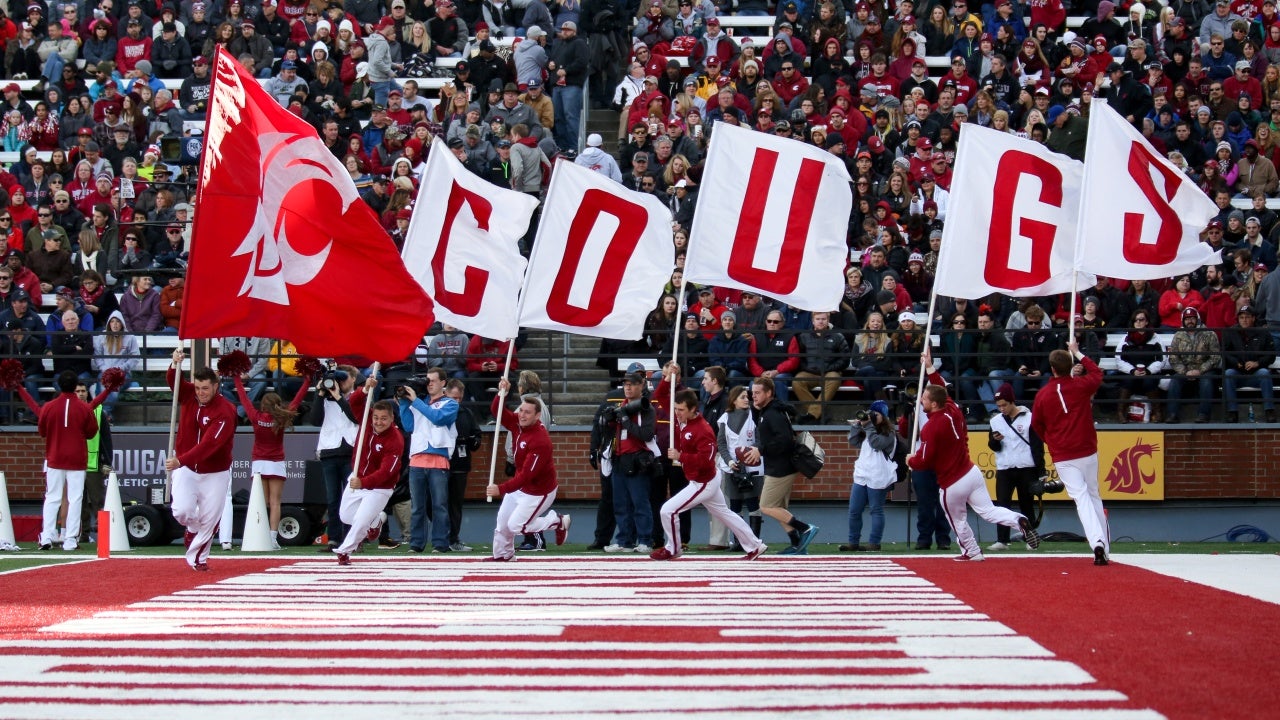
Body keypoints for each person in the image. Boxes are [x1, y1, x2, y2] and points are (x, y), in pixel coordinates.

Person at [907, 347, 1041, 562]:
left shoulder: (931, 426)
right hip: (971, 472)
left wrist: (911, 460)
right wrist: (931, 368)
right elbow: (941, 388)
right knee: (989, 511)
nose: (920, 400)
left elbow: (925, 459)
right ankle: (1019, 520)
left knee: (957, 519)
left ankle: (972, 551)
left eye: (924, 398)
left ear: (933, 403)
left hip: (952, 481)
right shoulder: (953, 409)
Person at [653, 389, 767, 560]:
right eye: (675, 409)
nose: (676, 413)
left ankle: (673, 548)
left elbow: (706, 460)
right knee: (725, 514)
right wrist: (668, 379)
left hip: (703, 481)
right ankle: (755, 545)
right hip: (704, 479)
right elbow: (662, 396)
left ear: (693, 409)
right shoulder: (682, 419)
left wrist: (680, 456)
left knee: (667, 510)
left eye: (681, 409)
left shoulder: (703, 430)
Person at [1030, 339, 1111, 566]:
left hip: (1063, 455)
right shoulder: (1081, 385)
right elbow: (1097, 373)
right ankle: (1102, 545)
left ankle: (1097, 543)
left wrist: (1052, 442)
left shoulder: (1043, 395)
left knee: (1082, 498)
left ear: (1052, 368)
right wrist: (1079, 352)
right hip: (1086, 449)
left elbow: (1037, 426)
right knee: (1093, 495)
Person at [164, 347, 239, 572]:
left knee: (210, 518)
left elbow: (209, 445)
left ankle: (198, 558)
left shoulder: (226, 411)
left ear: (216, 386)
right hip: (187, 469)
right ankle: (192, 529)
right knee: (181, 511)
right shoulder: (189, 395)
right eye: (197, 387)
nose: (200, 392)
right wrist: (174, 364)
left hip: (214, 471)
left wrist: (180, 460)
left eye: (205, 388)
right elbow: (173, 382)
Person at [485, 377, 571, 561]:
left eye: (527, 413)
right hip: (521, 486)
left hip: (538, 491)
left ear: (537, 416)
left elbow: (526, 476)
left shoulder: (541, 441)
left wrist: (500, 489)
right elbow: (497, 412)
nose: (522, 415)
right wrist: (502, 393)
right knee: (502, 522)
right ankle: (503, 555)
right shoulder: (518, 421)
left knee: (517, 526)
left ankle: (557, 521)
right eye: (521, 411)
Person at [234, 368, 312, 550]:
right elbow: (297, 400)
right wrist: (307, 381)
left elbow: (244, 400)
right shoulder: (282, 418)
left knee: (261, 502)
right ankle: (273, 539)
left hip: (259, 463)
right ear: (278, 404)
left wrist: (237, 379)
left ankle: (258, 537)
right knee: (276, 502)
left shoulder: (255, 417)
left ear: (262, 405)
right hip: (276, 463)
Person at [22, 371, 100, 551]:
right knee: (75, 499)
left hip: (55, 458)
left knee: (52, 498)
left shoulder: (49, 406)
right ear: (75, 387)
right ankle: (70, 539)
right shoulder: (83, 408)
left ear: (58, 386)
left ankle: (47, 536)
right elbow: (91, 432)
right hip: (77, 460)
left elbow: (42, 431)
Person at [744, 376, 820, 555]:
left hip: (780, 467)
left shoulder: (772, 413)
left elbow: (784, 440)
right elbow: (768, 433)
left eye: (757, 393)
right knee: (779, 508)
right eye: (752, 393)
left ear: (769, 393)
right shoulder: (768, 410)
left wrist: (760, 449)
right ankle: (797, 544)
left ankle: (805, 528)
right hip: (779, 465)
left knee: (766, 506)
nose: (753, 396)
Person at [332, 389, 403, 566]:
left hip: (380, 487)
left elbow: (387, 472)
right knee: (346, 516)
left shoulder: (396, 440)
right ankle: (376, 520)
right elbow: (354, 402)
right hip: (358, 477)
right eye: (376, 418)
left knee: (360, 521)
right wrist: (364, 389)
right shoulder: (366, 421)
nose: (379, 422)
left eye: (384, 418)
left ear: (392, 418)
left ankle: (345, 551)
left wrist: (364, 482)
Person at [398, 366, 459, 554]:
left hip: (438, 461)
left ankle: (440, 544)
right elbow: (408, 425)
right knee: (417, 507)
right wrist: (402, 401)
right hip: (417, 460)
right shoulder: (419, 402)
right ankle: (416, 544)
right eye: (427, 380)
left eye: (433, 380)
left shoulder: (450, 403)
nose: (429, 384)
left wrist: (415, 401)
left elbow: (438, 418)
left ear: (443, 383)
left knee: (439, 505)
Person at [602, 369, 658, 553]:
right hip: (619, 458)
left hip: (638, 459)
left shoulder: (646, 407)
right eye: (626, 384)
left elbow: (647, 434)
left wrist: (625, 421)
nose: (628, 387)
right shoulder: (621, 405)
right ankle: (624, 539)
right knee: (620, 503)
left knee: (640, 502)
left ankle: (645, 540)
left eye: (632, 384)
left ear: (641, 385)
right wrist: (609, 421)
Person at [987, 382, 1046, 551]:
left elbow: (1037, 446)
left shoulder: (1029, 417)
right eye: (999, 406)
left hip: (1026, 466)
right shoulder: (995, 421)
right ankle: (1002, 540)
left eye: (1004, 405)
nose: (1001, 409)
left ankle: (1030, 538)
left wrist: (1041, 471)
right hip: (1005, 467)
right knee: (1002, 504)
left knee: (1026, 503)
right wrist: (994, 440)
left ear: (1013, 401)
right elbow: (992, 446)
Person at [309, 366, 359, 552]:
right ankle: (334, 539)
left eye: (344, 379)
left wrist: (338, 397)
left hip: (350, 450)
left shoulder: (357, 396)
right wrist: (320, 394)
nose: (341, 383)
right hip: (329, 451)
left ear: (353, 379)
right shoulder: (325, 397)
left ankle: (352, 539)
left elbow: (356, 417)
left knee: (350, 497)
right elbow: (315, 420)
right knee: (332, 499)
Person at [840, 400, 901, 552]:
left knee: (876, 509)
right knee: (854, 510)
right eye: (871, 413)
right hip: (862, 474)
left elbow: (876, 443)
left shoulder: (889, 434)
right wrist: (857, 425)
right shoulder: (867, 429)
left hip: (878, 476)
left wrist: (868, 426)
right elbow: (854, 441)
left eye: (876, 414)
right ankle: (853, 542)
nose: (872, 416)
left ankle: (874, 542)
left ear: (884, 417)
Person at [1221, 304, 1277, 422]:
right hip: (1238, 372)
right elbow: (1225, 353)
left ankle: (1269, 411)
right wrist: (1236, 363)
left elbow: (1270, 354)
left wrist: (1257, 363)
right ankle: (1232, 412)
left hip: (1256, 373)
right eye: (1241, 317)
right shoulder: (1231, 332)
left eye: (1247, 317)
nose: (1244, 320)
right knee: (1228, 373)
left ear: (1253, 318)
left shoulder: (1263, 333)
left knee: (1264, 373)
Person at [1165, 307, 1222, 423]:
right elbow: (1173, 358)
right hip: (1185, 370)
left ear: (1198, 319)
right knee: (1175, 380)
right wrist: (1185, 371)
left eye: (1192, 318)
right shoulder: (1178, 336)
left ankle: (1203, 414)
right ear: (1183, 321)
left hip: (1205, 369)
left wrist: (1201, 370)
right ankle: (1172, 414)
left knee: (1206, 381)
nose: (1190, 321)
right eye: (1187, 319)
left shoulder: (1209, 334)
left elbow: (1215, 357)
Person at [445, 379, 482, 551]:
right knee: (436, 502)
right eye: (453, 398)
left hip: (460, 464)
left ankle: (453, 538)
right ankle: (443, 536)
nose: (457, 402)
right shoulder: (439, 412)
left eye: (459, 398)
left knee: (455, 504)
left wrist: (474, 441)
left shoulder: (466, 413)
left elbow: (476, 435)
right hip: (442, 464)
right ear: (445, 394)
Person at [75, 380, 112, 544]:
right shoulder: (71, 411)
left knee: (98, 501)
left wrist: (107, 461)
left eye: (83, 390)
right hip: (75, 466)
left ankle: (104, 536)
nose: (81, 393)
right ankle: (82, 535)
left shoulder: (98, 411)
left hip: (94, 464)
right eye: (77, 391)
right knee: (79, 503)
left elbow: (106, 438)